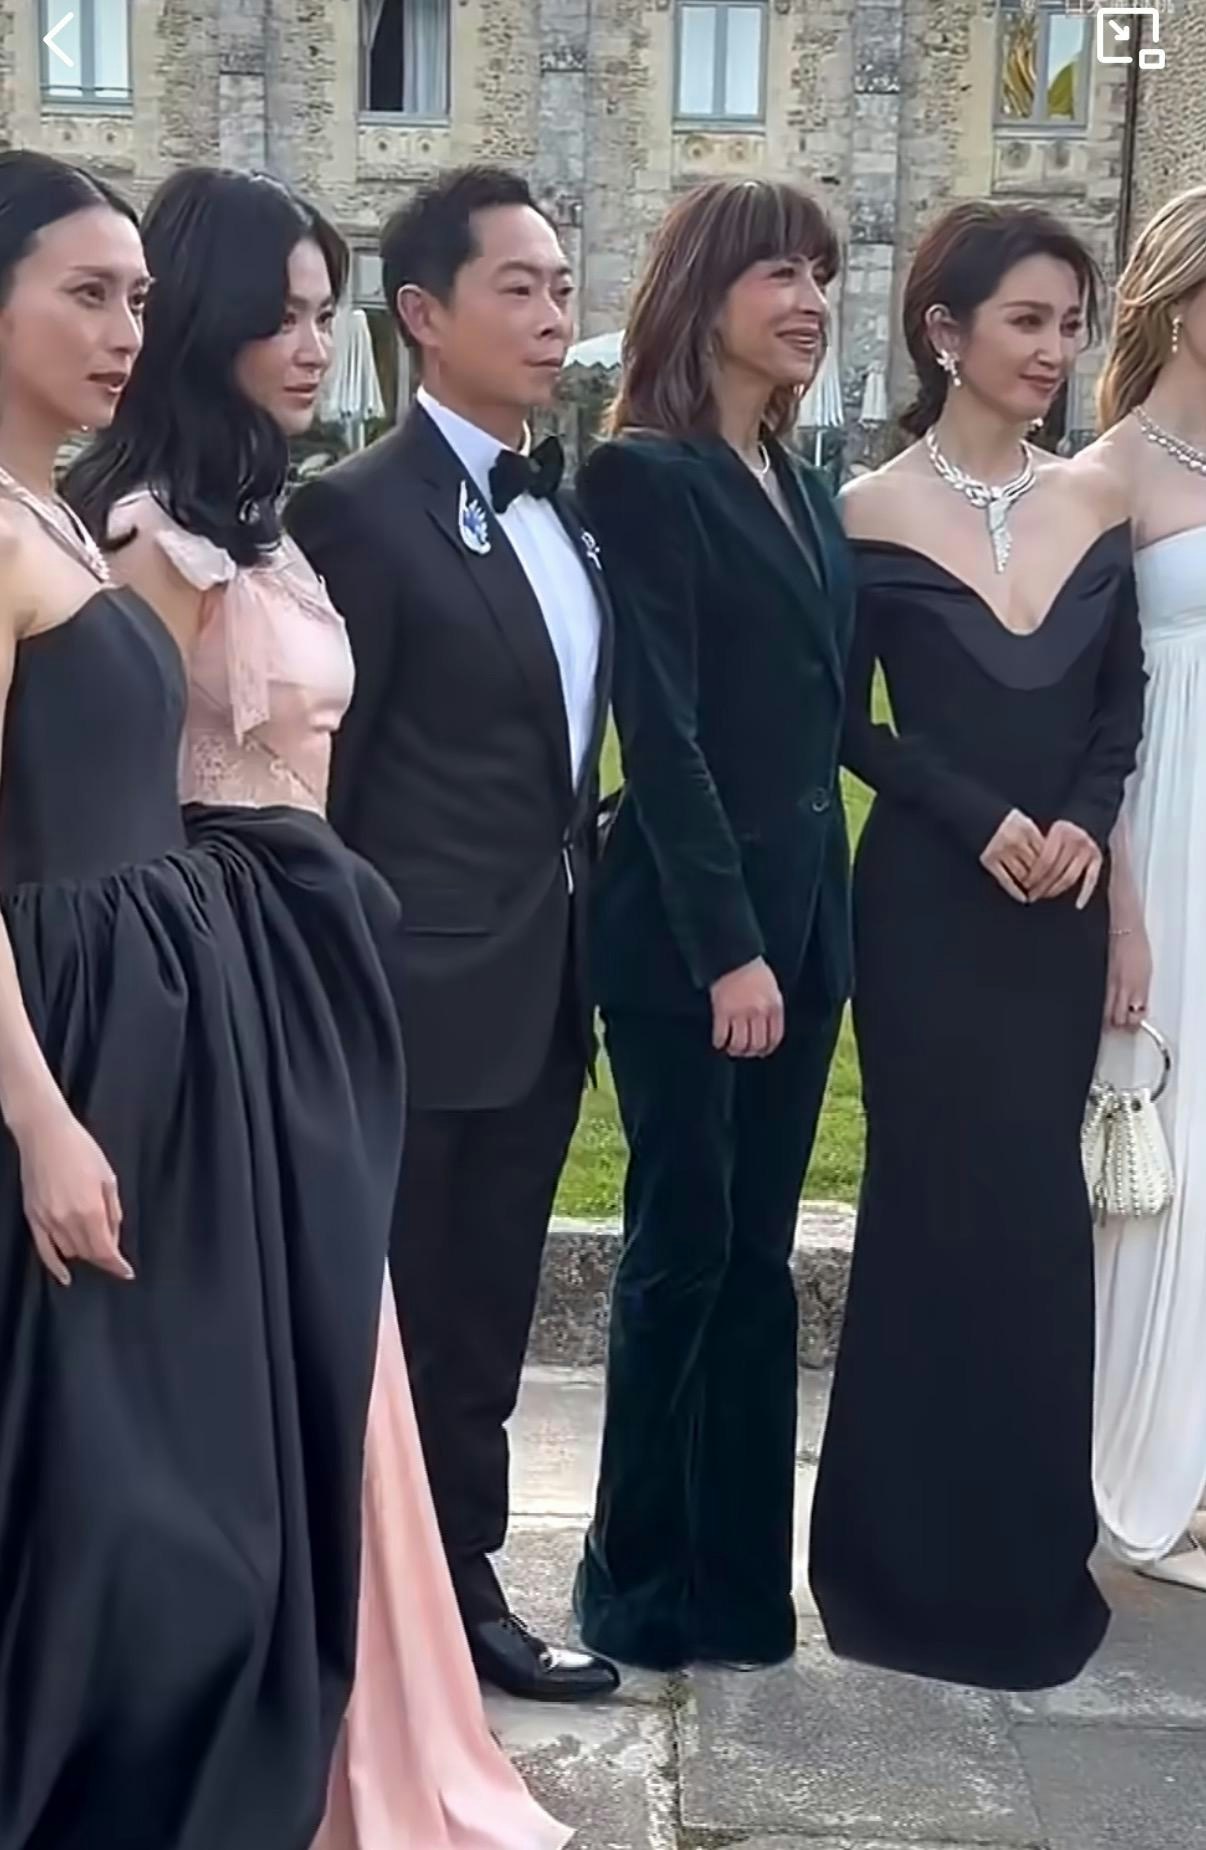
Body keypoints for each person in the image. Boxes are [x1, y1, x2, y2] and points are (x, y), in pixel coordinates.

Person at [66, 167, 572, 1845]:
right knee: (273, 1352)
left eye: (319, 312)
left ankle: (384, 1718)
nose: (307, 344)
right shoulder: (141, 539)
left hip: (311, 959)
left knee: (348, 1348)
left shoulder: (263, 524)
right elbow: (98, 798)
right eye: (277, 314)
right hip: (209, 975)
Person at [0, 150, 396, 1850]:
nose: (123, 328)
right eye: (85, 292)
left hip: (154, 1032)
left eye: (138, 297)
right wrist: (39, 1121)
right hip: (65, 1047)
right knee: (123, 1512)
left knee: (178, 1503)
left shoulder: (51, 517)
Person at [285, 166, 617, 1703]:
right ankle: (365, 1612)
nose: (554, 315)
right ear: (421, 313)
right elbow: (322, 786)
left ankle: (462, 1586)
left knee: (485, 1320)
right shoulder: (355, 514)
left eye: (561, 286)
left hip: (547, 989)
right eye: (518, 288)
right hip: (408, 996)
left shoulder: (566, 508)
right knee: (393, 1318)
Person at [810, 201, 1146, 1690]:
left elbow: (1121, 708)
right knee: (927, 1209)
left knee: (1032, 1224)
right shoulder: (863, 510)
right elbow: (843, 722)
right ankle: (892, 1572)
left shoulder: (1097, 497)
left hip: (1055, 917)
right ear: (944, 331)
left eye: (1070, 323)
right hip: (927, 913)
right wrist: (970, 810)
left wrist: (1080, 822)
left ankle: (1023, 1567)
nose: (1054, 348)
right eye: (1026, 320)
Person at [572, 178, 854, 1673]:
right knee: (680, 1251)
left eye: (821, 275)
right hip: (697, 944)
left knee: (756, 1261)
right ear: (703, 293)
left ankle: (743, 1594)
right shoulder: (642, 476)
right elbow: (661, 731)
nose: (810, 301)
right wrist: (729, 945)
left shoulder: (797, 482)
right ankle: (633, 1588)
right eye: (779, 275)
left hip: (807, 934)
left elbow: (826, 719)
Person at [1076, 184, 1206, 1593]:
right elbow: (1087, 715)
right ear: (1178, 295)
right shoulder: (1106, 475)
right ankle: (1138, 1459)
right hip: (1162, 833)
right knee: (1157, 1138)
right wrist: (1121, 909)